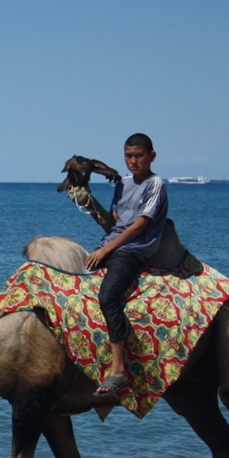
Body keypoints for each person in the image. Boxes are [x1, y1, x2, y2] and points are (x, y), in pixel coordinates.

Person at [84, 134, 168, 397]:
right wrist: (86, 201)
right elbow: (113, 224)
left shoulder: (155, 184)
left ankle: (119, 369)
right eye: (128, 156)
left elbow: (139, 225)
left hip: (133, 250)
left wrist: (106, 249)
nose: (133, 161)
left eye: (138, 155)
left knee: (108, 296)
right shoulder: (122, 184)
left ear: (151, 156)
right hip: (112, 244)